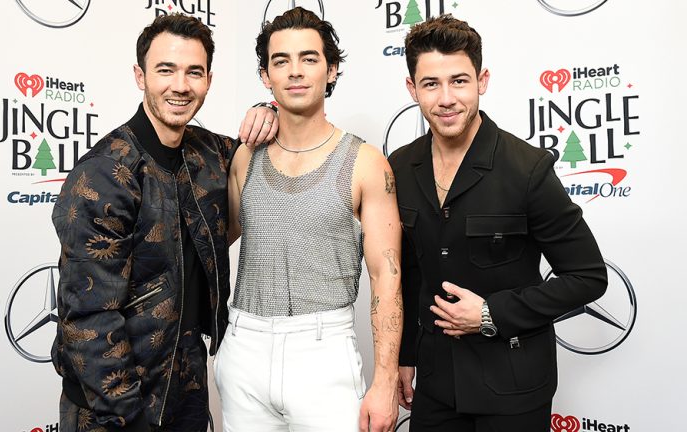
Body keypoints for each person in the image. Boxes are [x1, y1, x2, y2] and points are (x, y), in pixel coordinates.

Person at [51, 13, 278, 432]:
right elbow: (87, 317)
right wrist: (126, 414)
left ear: (209, 79)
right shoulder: (104, 174)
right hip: (113, 407)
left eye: (194, 72)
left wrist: (268, 110)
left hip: (187, 386)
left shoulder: (209, 153)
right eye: (165, 70)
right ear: (140, 76)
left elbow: (266, 148)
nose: (180, 85)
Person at [388, 15, 608, 431]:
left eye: (459, 81)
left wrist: (490, 313)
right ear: (412, 88)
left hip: (514, 386)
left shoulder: (527, 168)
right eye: (431, 84)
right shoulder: (400, 165)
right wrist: (406, 355)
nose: (447, 98)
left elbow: (588, 276)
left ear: (482, 80)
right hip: (436, 387)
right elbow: (411, 271)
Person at [217, 7, 402, 432]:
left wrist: (386, 380)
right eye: (281, 61)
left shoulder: (366, 163)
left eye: (309, 59)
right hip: (244, 346)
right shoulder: (244, 156)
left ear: (331, 70)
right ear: (266, 76)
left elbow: (386, 280)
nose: (295, 72)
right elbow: (214, 239)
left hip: (324, 356)